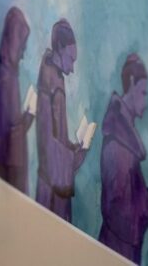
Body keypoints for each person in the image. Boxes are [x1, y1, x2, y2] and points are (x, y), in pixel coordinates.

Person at [98, 54, 148, 264]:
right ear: (131, 83)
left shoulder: (124, 140)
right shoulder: (118, 144)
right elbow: (116, 210)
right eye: (143, 93)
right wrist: (145, 208)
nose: (146, 102)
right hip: (117, 251)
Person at [35, 19, 88, 222]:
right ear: (59, 48)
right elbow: (47, 142)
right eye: (71, 59)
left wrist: (73, 147)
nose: (72, 68)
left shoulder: (57, 77)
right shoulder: (49, 82)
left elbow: (57, 135)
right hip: (51, 189)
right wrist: (73, 159)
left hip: (54, 182)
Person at [0, 6, 35, 193]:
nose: (23, 54)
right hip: (10, 174)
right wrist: (29, 117)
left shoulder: (9, 75)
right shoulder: (6, 80)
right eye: (22, 47)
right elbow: (6, 138)